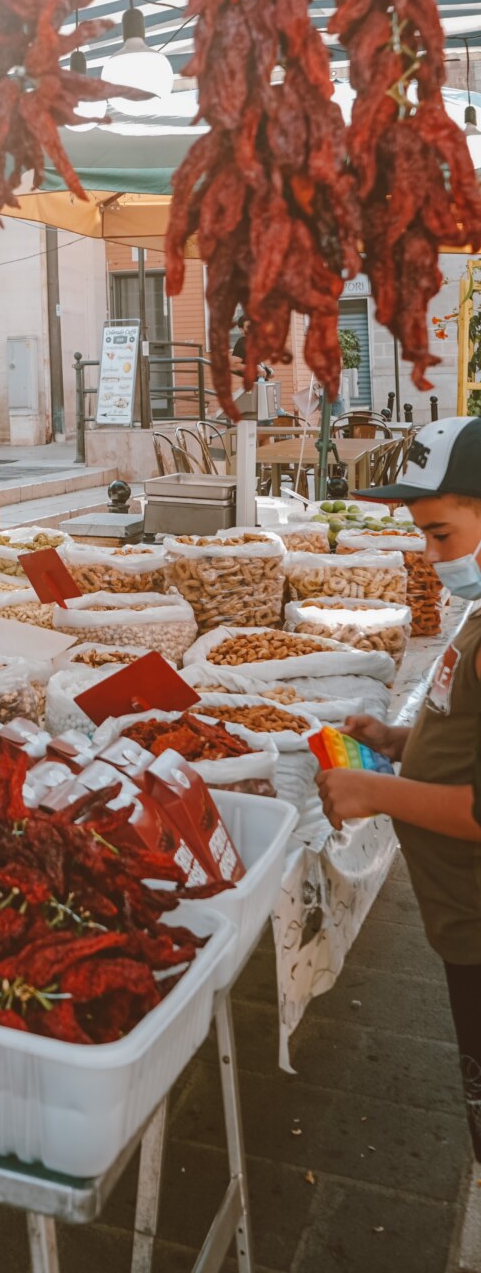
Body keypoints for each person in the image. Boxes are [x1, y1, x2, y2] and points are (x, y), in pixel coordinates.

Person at [316, 416, 481, 1181]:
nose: (429, 555)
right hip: (460, 921)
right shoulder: (476, 616)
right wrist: (397, 741)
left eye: (442, 534)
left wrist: (377, 791)